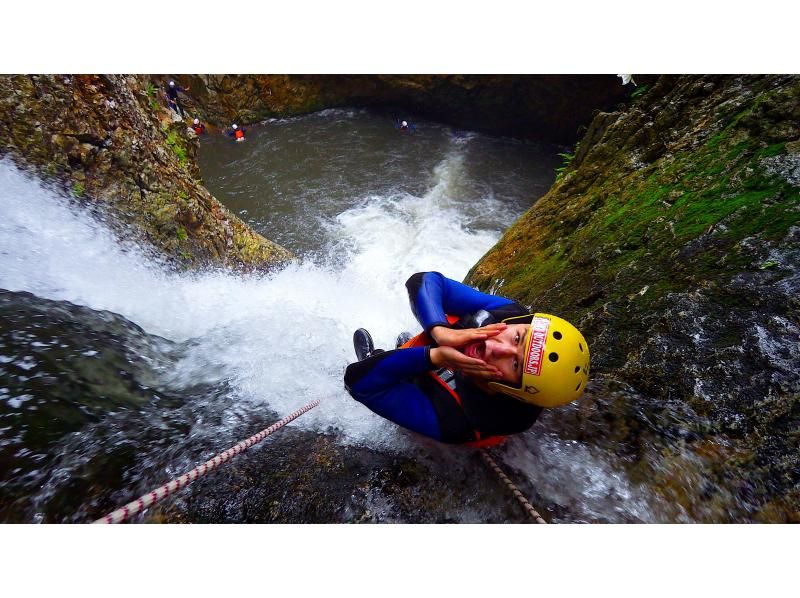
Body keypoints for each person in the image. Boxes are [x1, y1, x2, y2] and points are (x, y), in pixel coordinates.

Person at [344, 271, 590, 446]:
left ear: (510, 390)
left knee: (381, 373)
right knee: (449, 329)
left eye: (515, 364)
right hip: (438, 358)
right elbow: (425, 281)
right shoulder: (510, 314)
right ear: (520, 324)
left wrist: (434, 356)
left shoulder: (456, 420)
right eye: (517, 338)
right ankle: (406, 351)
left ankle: (379, 357)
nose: (494, 346)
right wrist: (440, 330)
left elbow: (357, 383)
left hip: (430, 397)